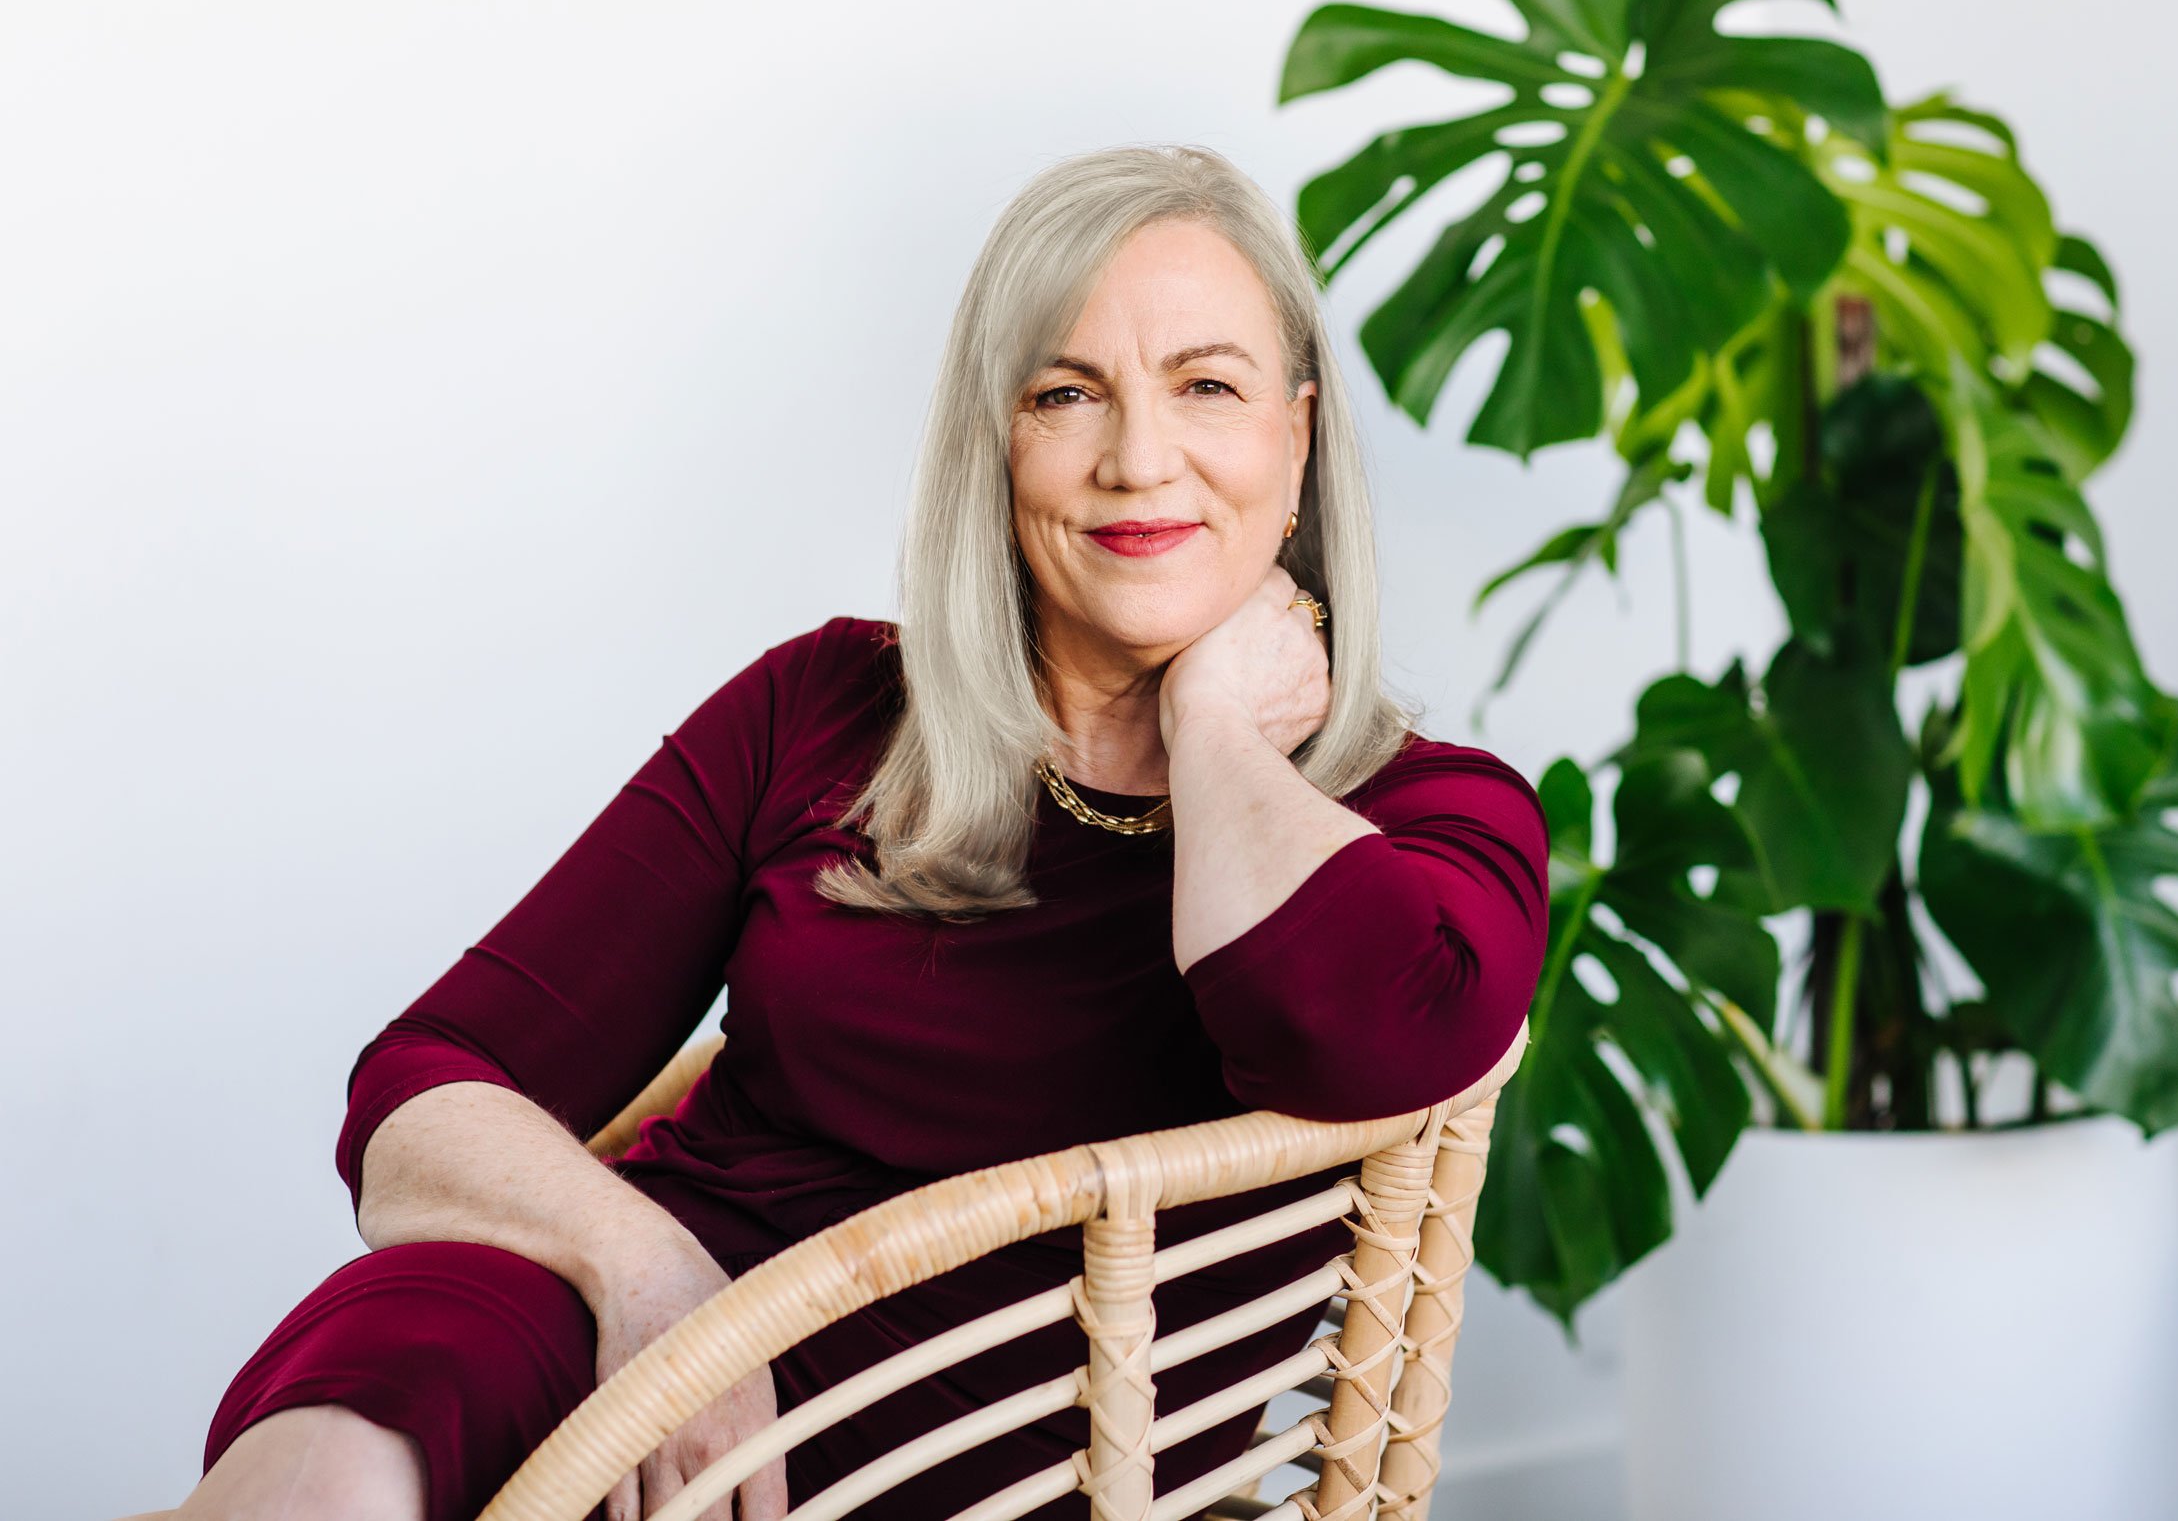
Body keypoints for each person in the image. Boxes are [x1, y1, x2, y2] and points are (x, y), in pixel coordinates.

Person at [141, 144, 1550, 1521]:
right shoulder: (822, 705)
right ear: (998, 447)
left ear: (1294, 440)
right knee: (359, 1433)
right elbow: (424, 1089)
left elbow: (1357, 1043)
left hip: (1000, 1460)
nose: (1138, 458)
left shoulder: (1434, 816)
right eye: (1068, 392)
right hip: (632, 1343)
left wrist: (1220, 731)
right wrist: (648, 1275)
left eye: (1207, 388)